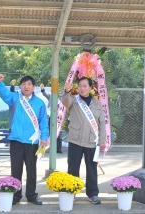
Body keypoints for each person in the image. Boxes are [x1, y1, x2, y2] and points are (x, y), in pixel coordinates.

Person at [0, 74, 48, 206]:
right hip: (16, 140)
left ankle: (31, 195)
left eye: (29, 84)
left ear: (33, 87)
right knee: (16, 170)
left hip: (32, 142)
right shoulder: (14, 98)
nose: (26, 86)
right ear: (20, 87)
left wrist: (44, 138)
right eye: (24, 84)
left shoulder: (40, 103)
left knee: (31, 170)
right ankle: (16, 195)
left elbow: (43, 123)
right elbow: (4, 94)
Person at [62, 77, 106, 205]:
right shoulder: (73, 100)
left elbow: (102, 123)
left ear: (91, 88)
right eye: (80, 85)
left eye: (85, 86)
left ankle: (93, 194)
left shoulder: (97, 104)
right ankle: (72, 191)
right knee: (73, 167)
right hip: (75, 140)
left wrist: (102, 140)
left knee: (92, 169)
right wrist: (66, 92)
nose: (82, 88)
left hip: (92, 141)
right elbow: (65, 101)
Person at [40, 83, 62, 153]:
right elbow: (44, 94)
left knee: (58, 134)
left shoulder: (62, 98)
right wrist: (42, 89)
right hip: (50, 117)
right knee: (49, 132)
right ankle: (48, 147)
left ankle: (58, 149)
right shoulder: (51, 96)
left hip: (58, 118)